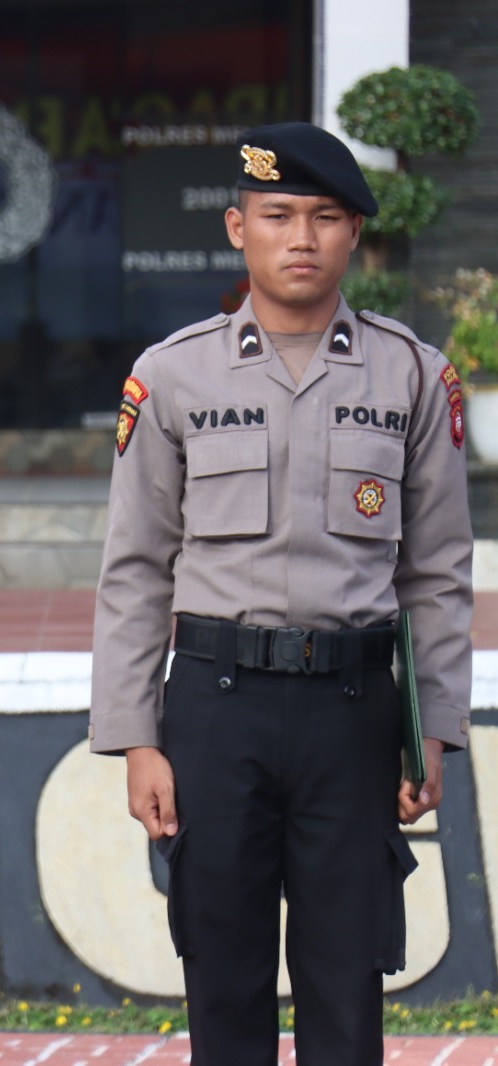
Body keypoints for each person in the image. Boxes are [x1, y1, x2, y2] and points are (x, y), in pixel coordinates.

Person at [90, 122, 473, 1063]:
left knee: (348, 981)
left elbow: (436, 572)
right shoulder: (172, 375)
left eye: (325, 217)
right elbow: (136, 568)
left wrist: (433, 727)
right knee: (223, 978)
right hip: (217, 712)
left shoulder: (412, 375)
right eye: (277, 215)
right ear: (237, 228)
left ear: (355, 234)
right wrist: (136, 738)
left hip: (354, 712)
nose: (301, 238)